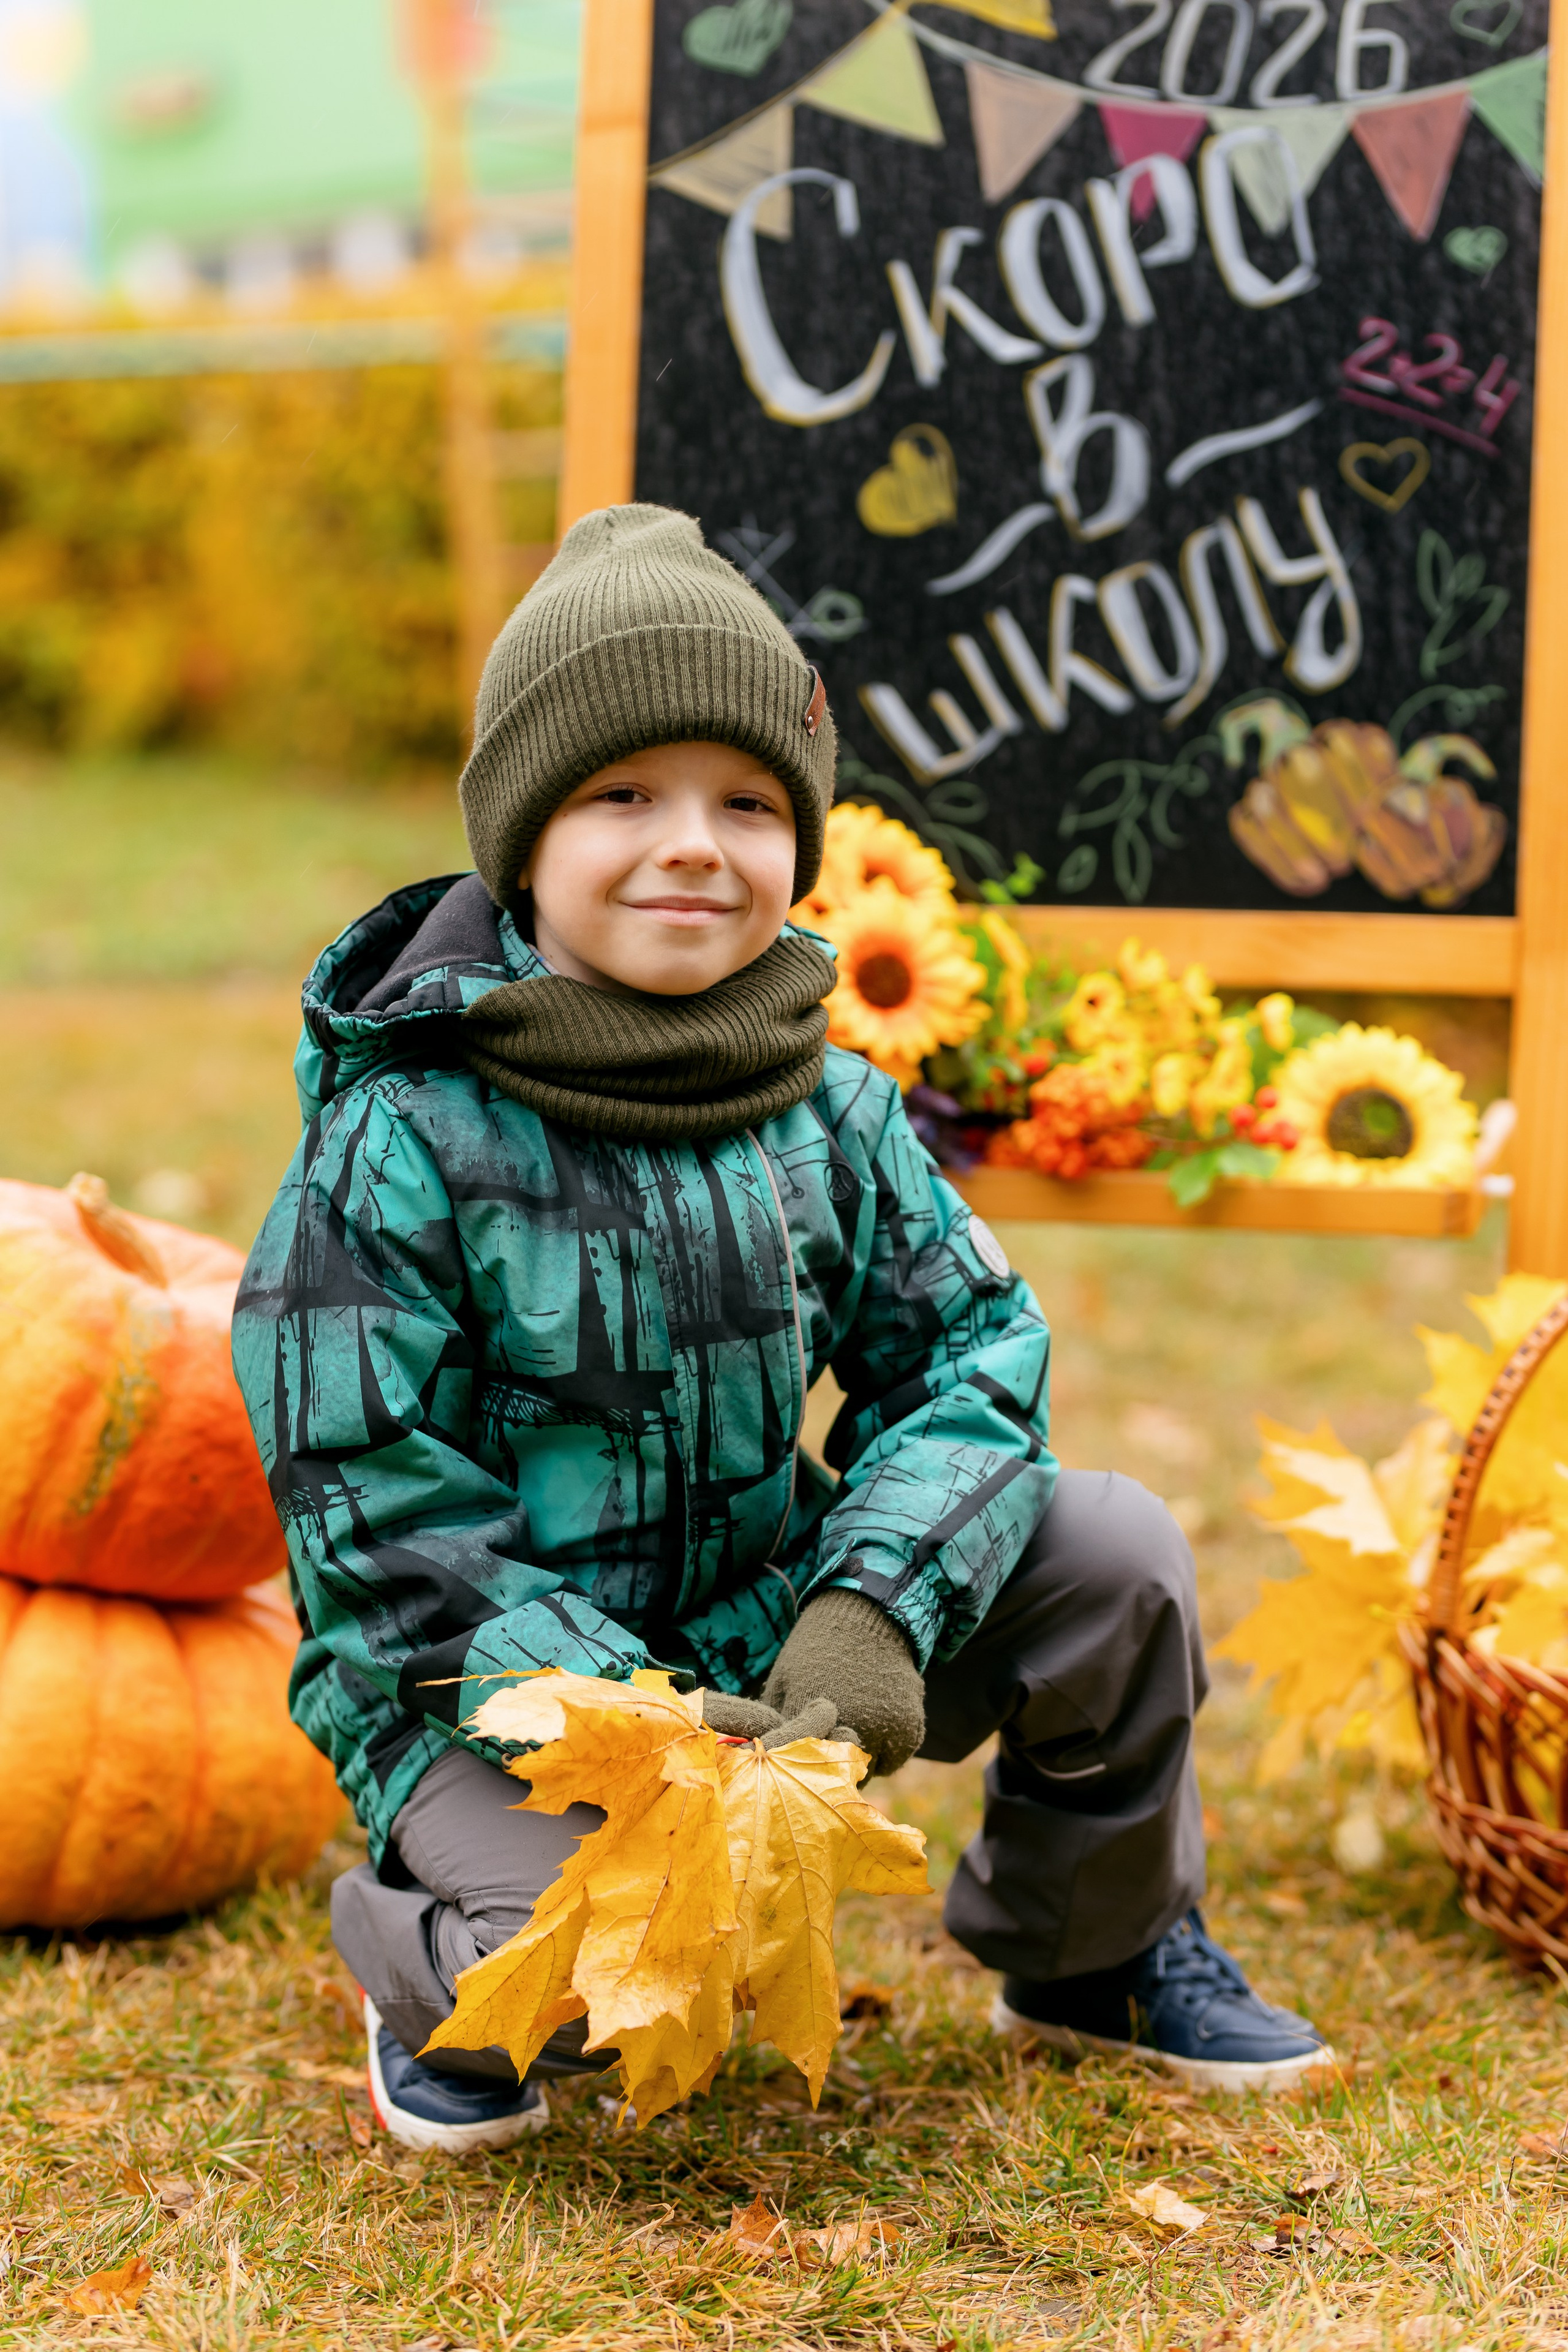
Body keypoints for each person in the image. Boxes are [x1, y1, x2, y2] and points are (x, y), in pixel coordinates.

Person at [233, 503, 1331, 2157]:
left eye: (748, 802)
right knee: (614, 1970)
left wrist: (870, 1609)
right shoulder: (404, 1137)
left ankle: (1089, 1948)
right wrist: (625, 1715)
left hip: (770, 1623)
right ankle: (417, 1952)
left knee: (1112, 1549)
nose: (696, 843)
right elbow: (368, 1507)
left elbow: (970, 1357)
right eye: (625, 795)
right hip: (490, 1685)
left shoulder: (828, 1105)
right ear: (521, 837)